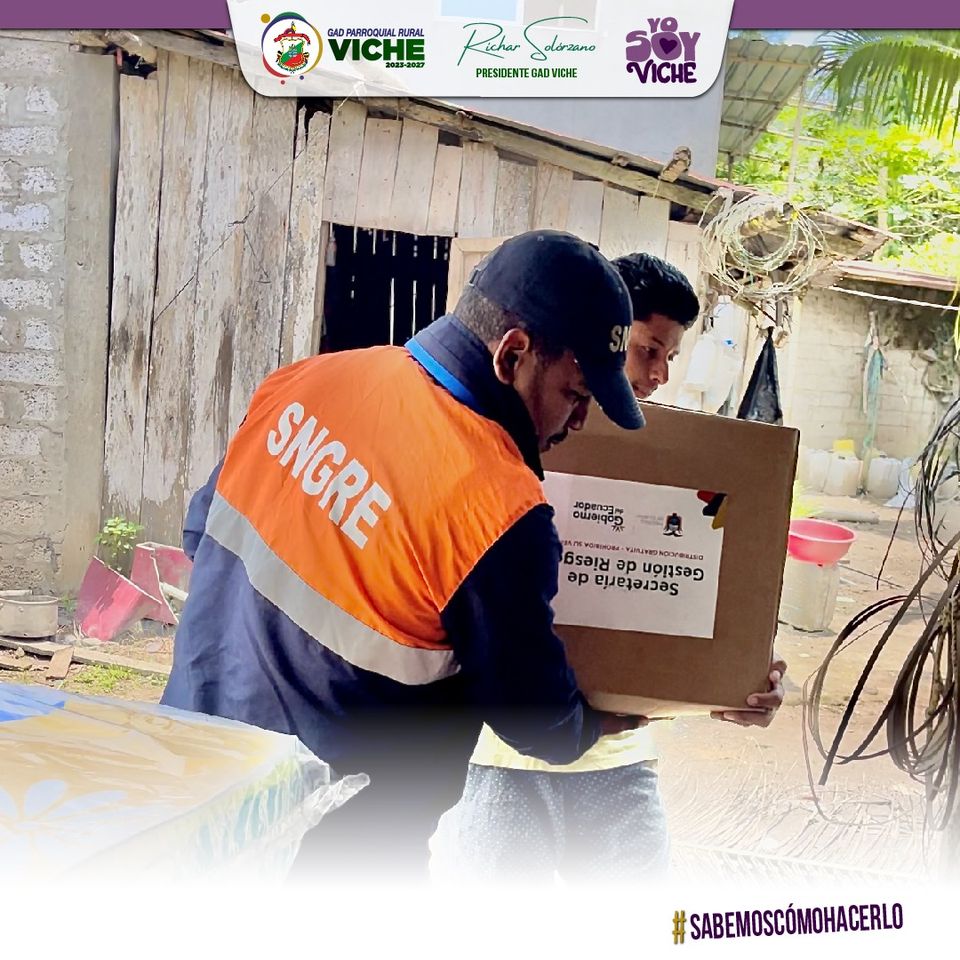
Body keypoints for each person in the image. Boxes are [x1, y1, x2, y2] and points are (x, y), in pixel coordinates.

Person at [160, 230, 649, 881]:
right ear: (513, 355)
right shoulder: (497, 510)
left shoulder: (310, 381)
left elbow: (203, 533)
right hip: (332, 857)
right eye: (576, 395)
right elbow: (532, 716)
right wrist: (594, 723)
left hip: (187, 788)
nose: (578, 422)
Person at [436, 252, 788, 885]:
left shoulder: (690, 461)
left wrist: (739, 676)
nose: (658, 374)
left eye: (670, 357)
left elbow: (710, 594)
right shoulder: (500, 443)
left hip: (618, 760)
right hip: (504, 757)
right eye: (648, 349)